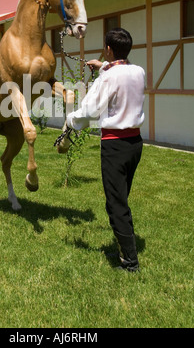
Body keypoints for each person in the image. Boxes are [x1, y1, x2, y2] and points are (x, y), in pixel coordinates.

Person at [66, 28, 145, 272]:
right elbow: (121, 72)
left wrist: (70, 121)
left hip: (114, 145)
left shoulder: (106, 79)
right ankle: (125, 248)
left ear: (109, 49)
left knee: (116, 204)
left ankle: (130, 262)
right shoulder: (138, 72)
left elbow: (89, 111)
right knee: (119, 200)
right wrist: (103, 65)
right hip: (135, 144)